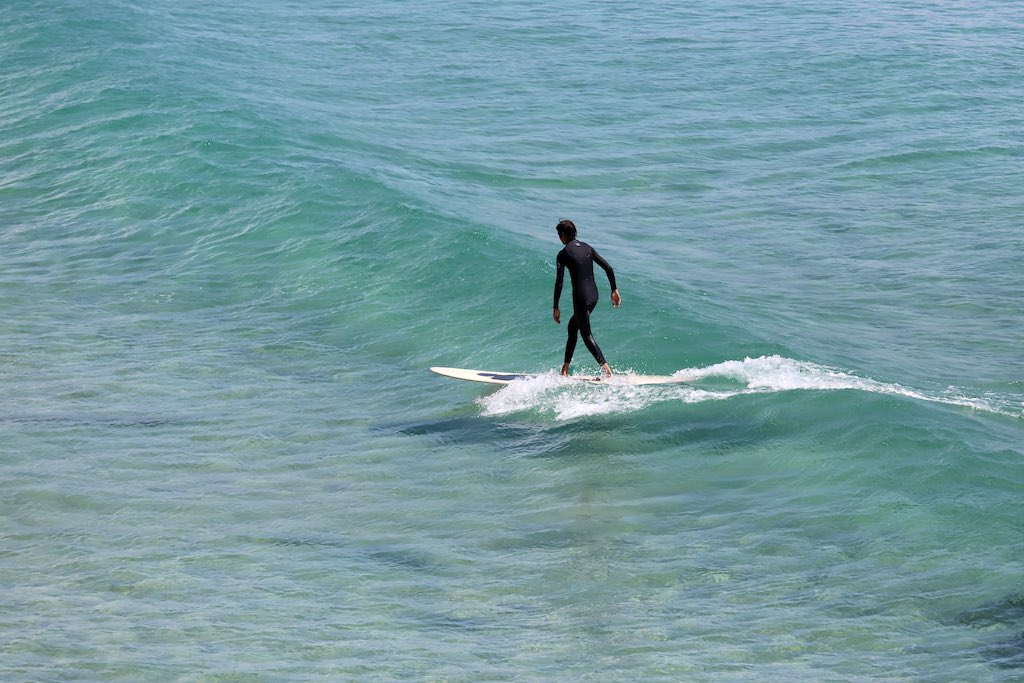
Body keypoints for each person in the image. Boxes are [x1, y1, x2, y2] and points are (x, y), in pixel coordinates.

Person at [552, 219, 621, 376]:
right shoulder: (587, 248)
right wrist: (614, 290)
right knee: (572, 326)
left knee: (586, 334)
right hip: (594, 296)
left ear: (563, 235)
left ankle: (607, 371)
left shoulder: (563, 254)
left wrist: (555, 306)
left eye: (559, 234)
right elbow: (608, 268)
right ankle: (565, 369)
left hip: (581, 298)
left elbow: (559, 283)